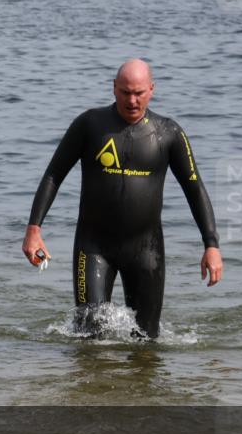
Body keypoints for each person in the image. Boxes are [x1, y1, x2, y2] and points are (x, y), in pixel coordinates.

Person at [22, 59, 223, 339]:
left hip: (146, 251)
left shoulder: (169, 134)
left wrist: (211, 245)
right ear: (114, 89)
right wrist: (34, 229)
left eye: (139, 92)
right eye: (125, 92)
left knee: (147, 341)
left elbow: (195, 188)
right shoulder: (89, 125)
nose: (132, 100)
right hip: (93, 247)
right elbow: (53, 175)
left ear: (151, 90)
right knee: (89, 335)